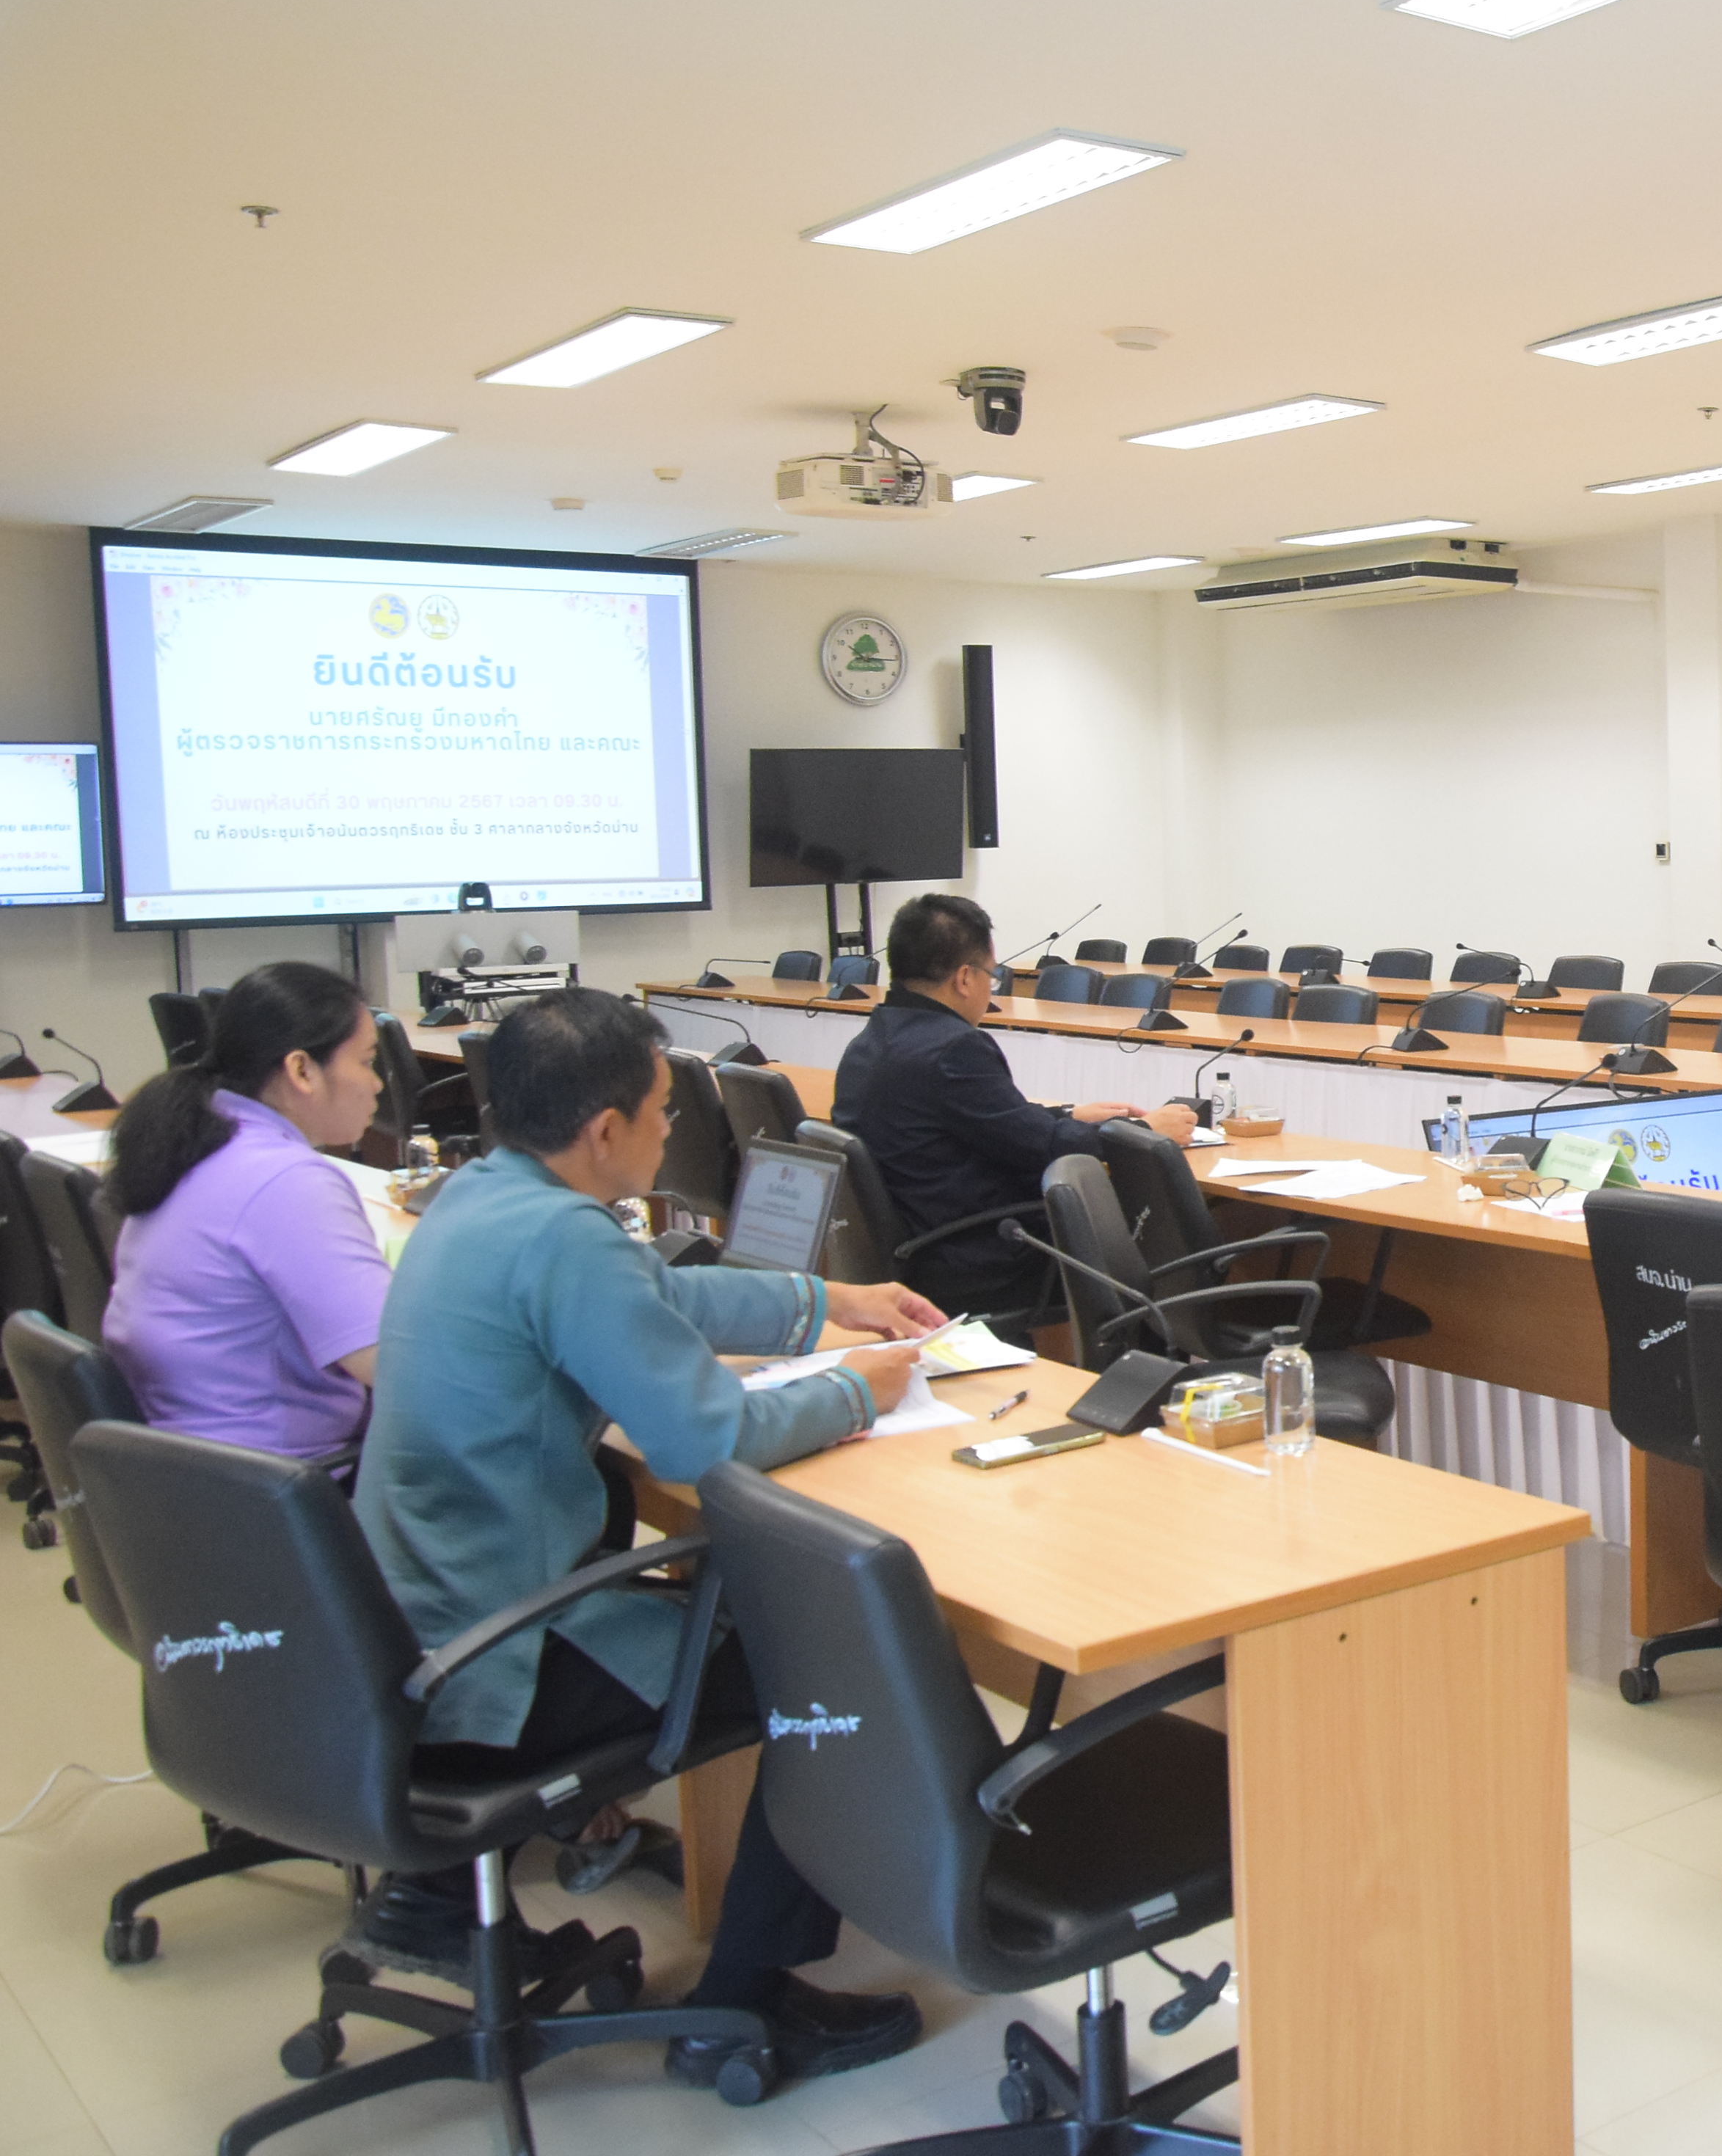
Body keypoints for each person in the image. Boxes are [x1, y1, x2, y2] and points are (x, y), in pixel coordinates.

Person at [356, 987, 947, 2088]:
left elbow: (651, 1303)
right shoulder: (561, 1239)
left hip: (406, 1622)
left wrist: (832, 1301)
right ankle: (742, 2005)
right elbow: (702, 1439)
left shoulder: (486, 1198)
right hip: (500, 1649)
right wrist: (860, 1395)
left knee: (747, 1606)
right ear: (604, 1132)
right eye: (663, 1110)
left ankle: (435, 1893)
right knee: (829, 1676)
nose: (673, 1129)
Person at [831, 893, 1194, 1323]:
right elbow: (1043, 1149)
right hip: (981, 1260)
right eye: (993, 976)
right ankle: (1137, 1375)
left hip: (918, 1248)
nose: (992, 988)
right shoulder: (954, 1048)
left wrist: (1068, 1116)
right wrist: (1146, 1130)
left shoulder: (871, 1040)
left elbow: (995, 1125)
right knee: (1147, 1248)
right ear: (965, 978)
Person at [102, 964, 393, 1472]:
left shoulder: (192, 1145)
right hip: (283, 1490)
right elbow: (394, 1363)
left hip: (191, 1477)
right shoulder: (288, 1181)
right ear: (302, 1070)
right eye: (368, 1062)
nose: (378, 1084)